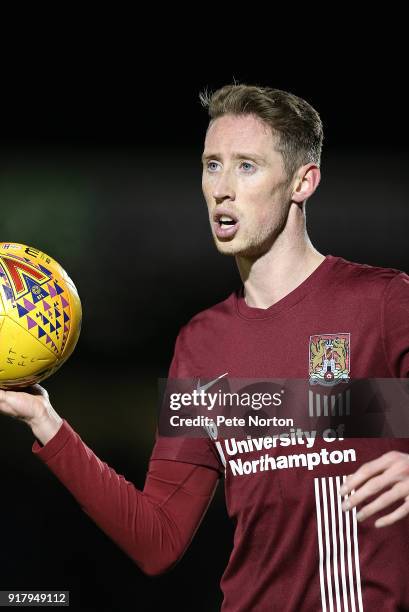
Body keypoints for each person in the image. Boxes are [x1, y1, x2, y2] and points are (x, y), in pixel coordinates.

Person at [0, 84, 408, 611]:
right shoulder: (201, 344)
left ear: (302, 182)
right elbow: (159, 540)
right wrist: (44, 421)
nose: (222, 189)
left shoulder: (381, 303)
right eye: (212, 165)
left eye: (246, 166)